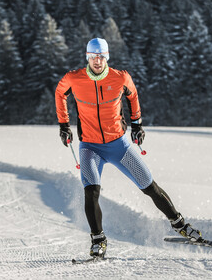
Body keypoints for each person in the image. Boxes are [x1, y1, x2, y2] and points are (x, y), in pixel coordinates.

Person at [55, 38, 202, 258]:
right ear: (87, 57)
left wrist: (137, 124)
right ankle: (98, 239)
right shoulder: (74, 79)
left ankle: (180, 224)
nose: (97, 61)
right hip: (90, 148)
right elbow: (60, 93)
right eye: (93, 56)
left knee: (148, 185)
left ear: (107, 57)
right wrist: (64, 125)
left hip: (119, 145)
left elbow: (132, 95)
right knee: (91, 190)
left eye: (101, 56)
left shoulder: (120, 77)